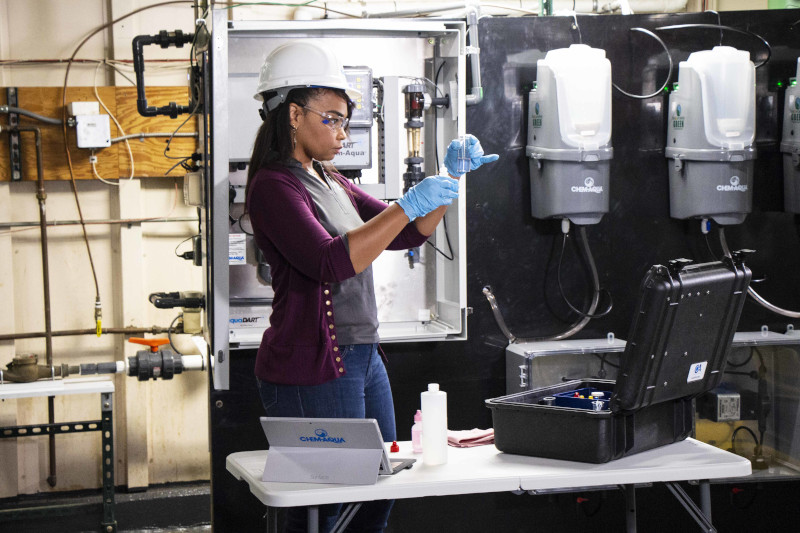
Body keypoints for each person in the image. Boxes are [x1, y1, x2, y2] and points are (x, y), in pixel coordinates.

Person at [245, 40, 499, 533]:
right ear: (294, 115)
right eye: (333, 119)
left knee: (378, 494)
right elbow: (328, 262)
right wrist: (409, 202)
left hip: (361, 357)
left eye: (345, 120)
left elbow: (404, 232)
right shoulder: (274, 186)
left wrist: (448, 181)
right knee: (324, 508)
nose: (343, 132)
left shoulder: (330, 179)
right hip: (314, 364)